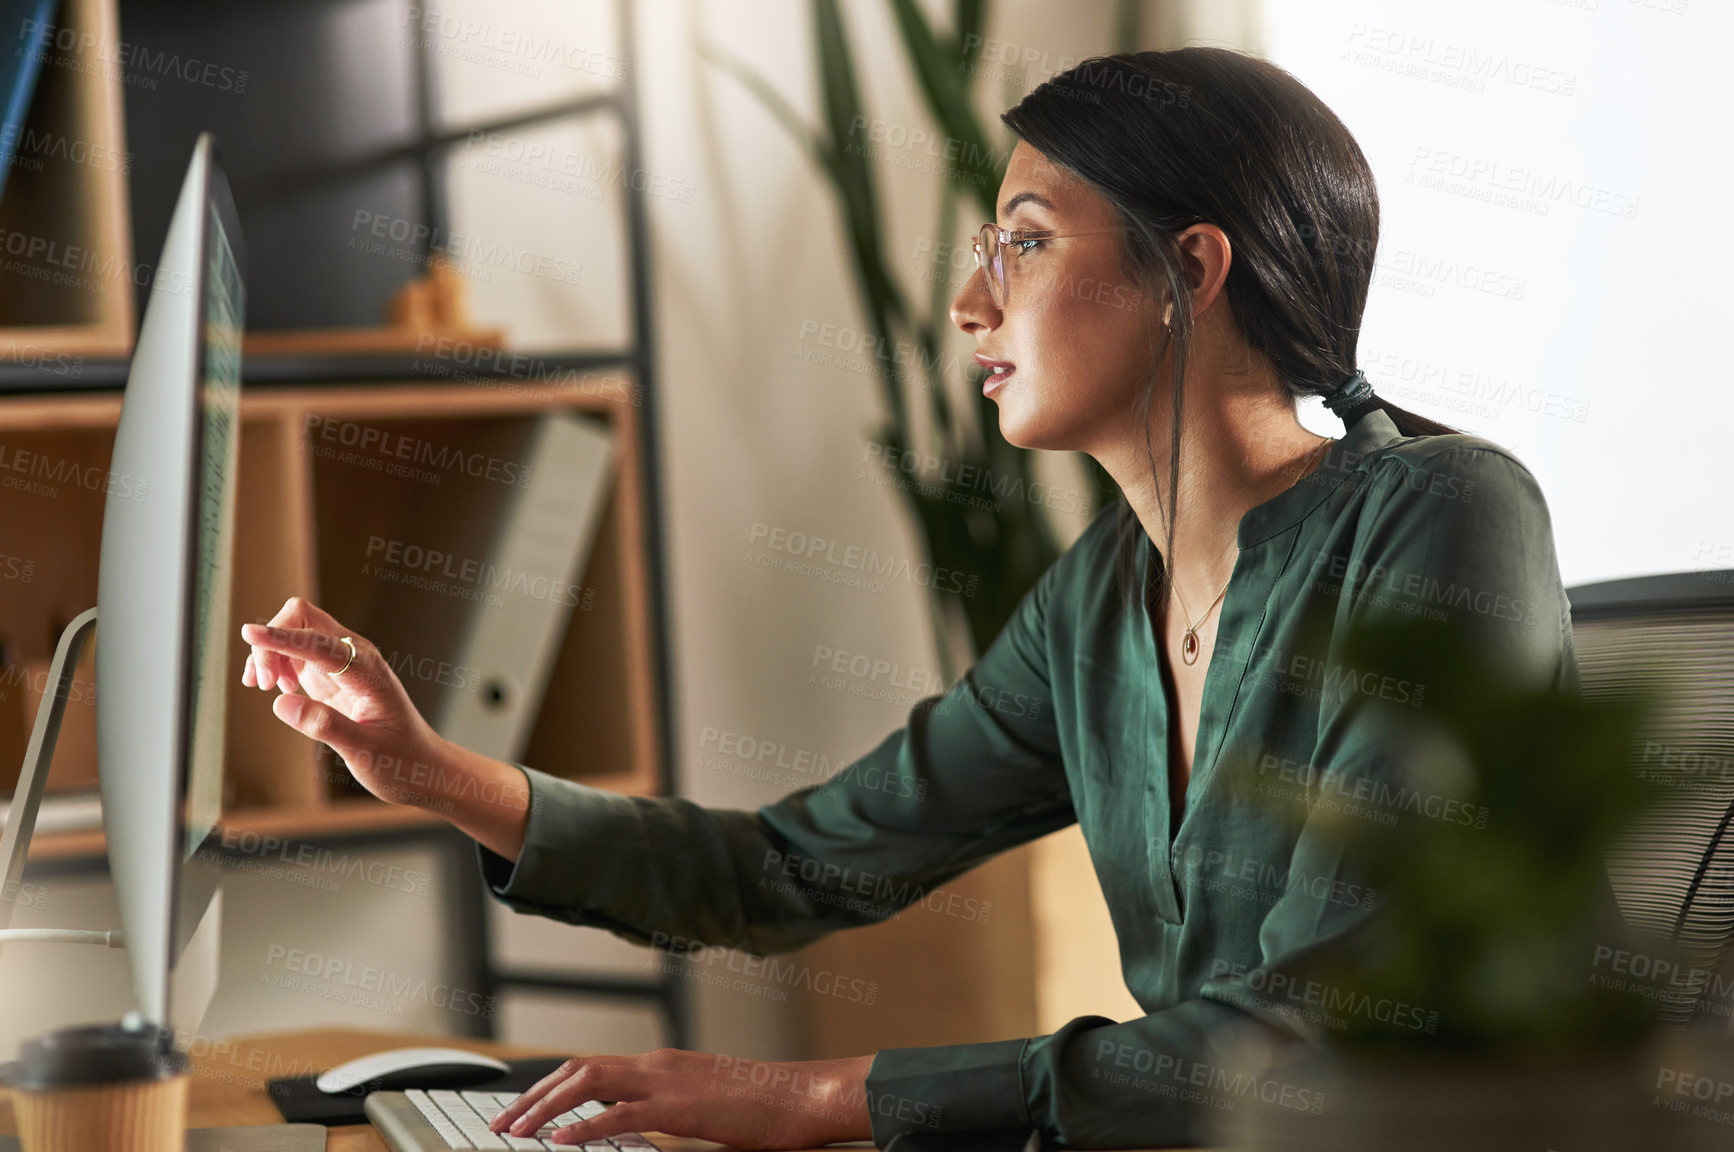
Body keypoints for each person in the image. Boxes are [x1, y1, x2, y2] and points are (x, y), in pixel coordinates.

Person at [239, 48, 1576, 1150]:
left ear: (1192, 272)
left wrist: (822, 1096)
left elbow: (1333, 1034)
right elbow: (790, 866)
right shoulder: (1095, 603)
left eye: (1027, 243)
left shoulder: (1440, 515)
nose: (964, 301)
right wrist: (428, 771)